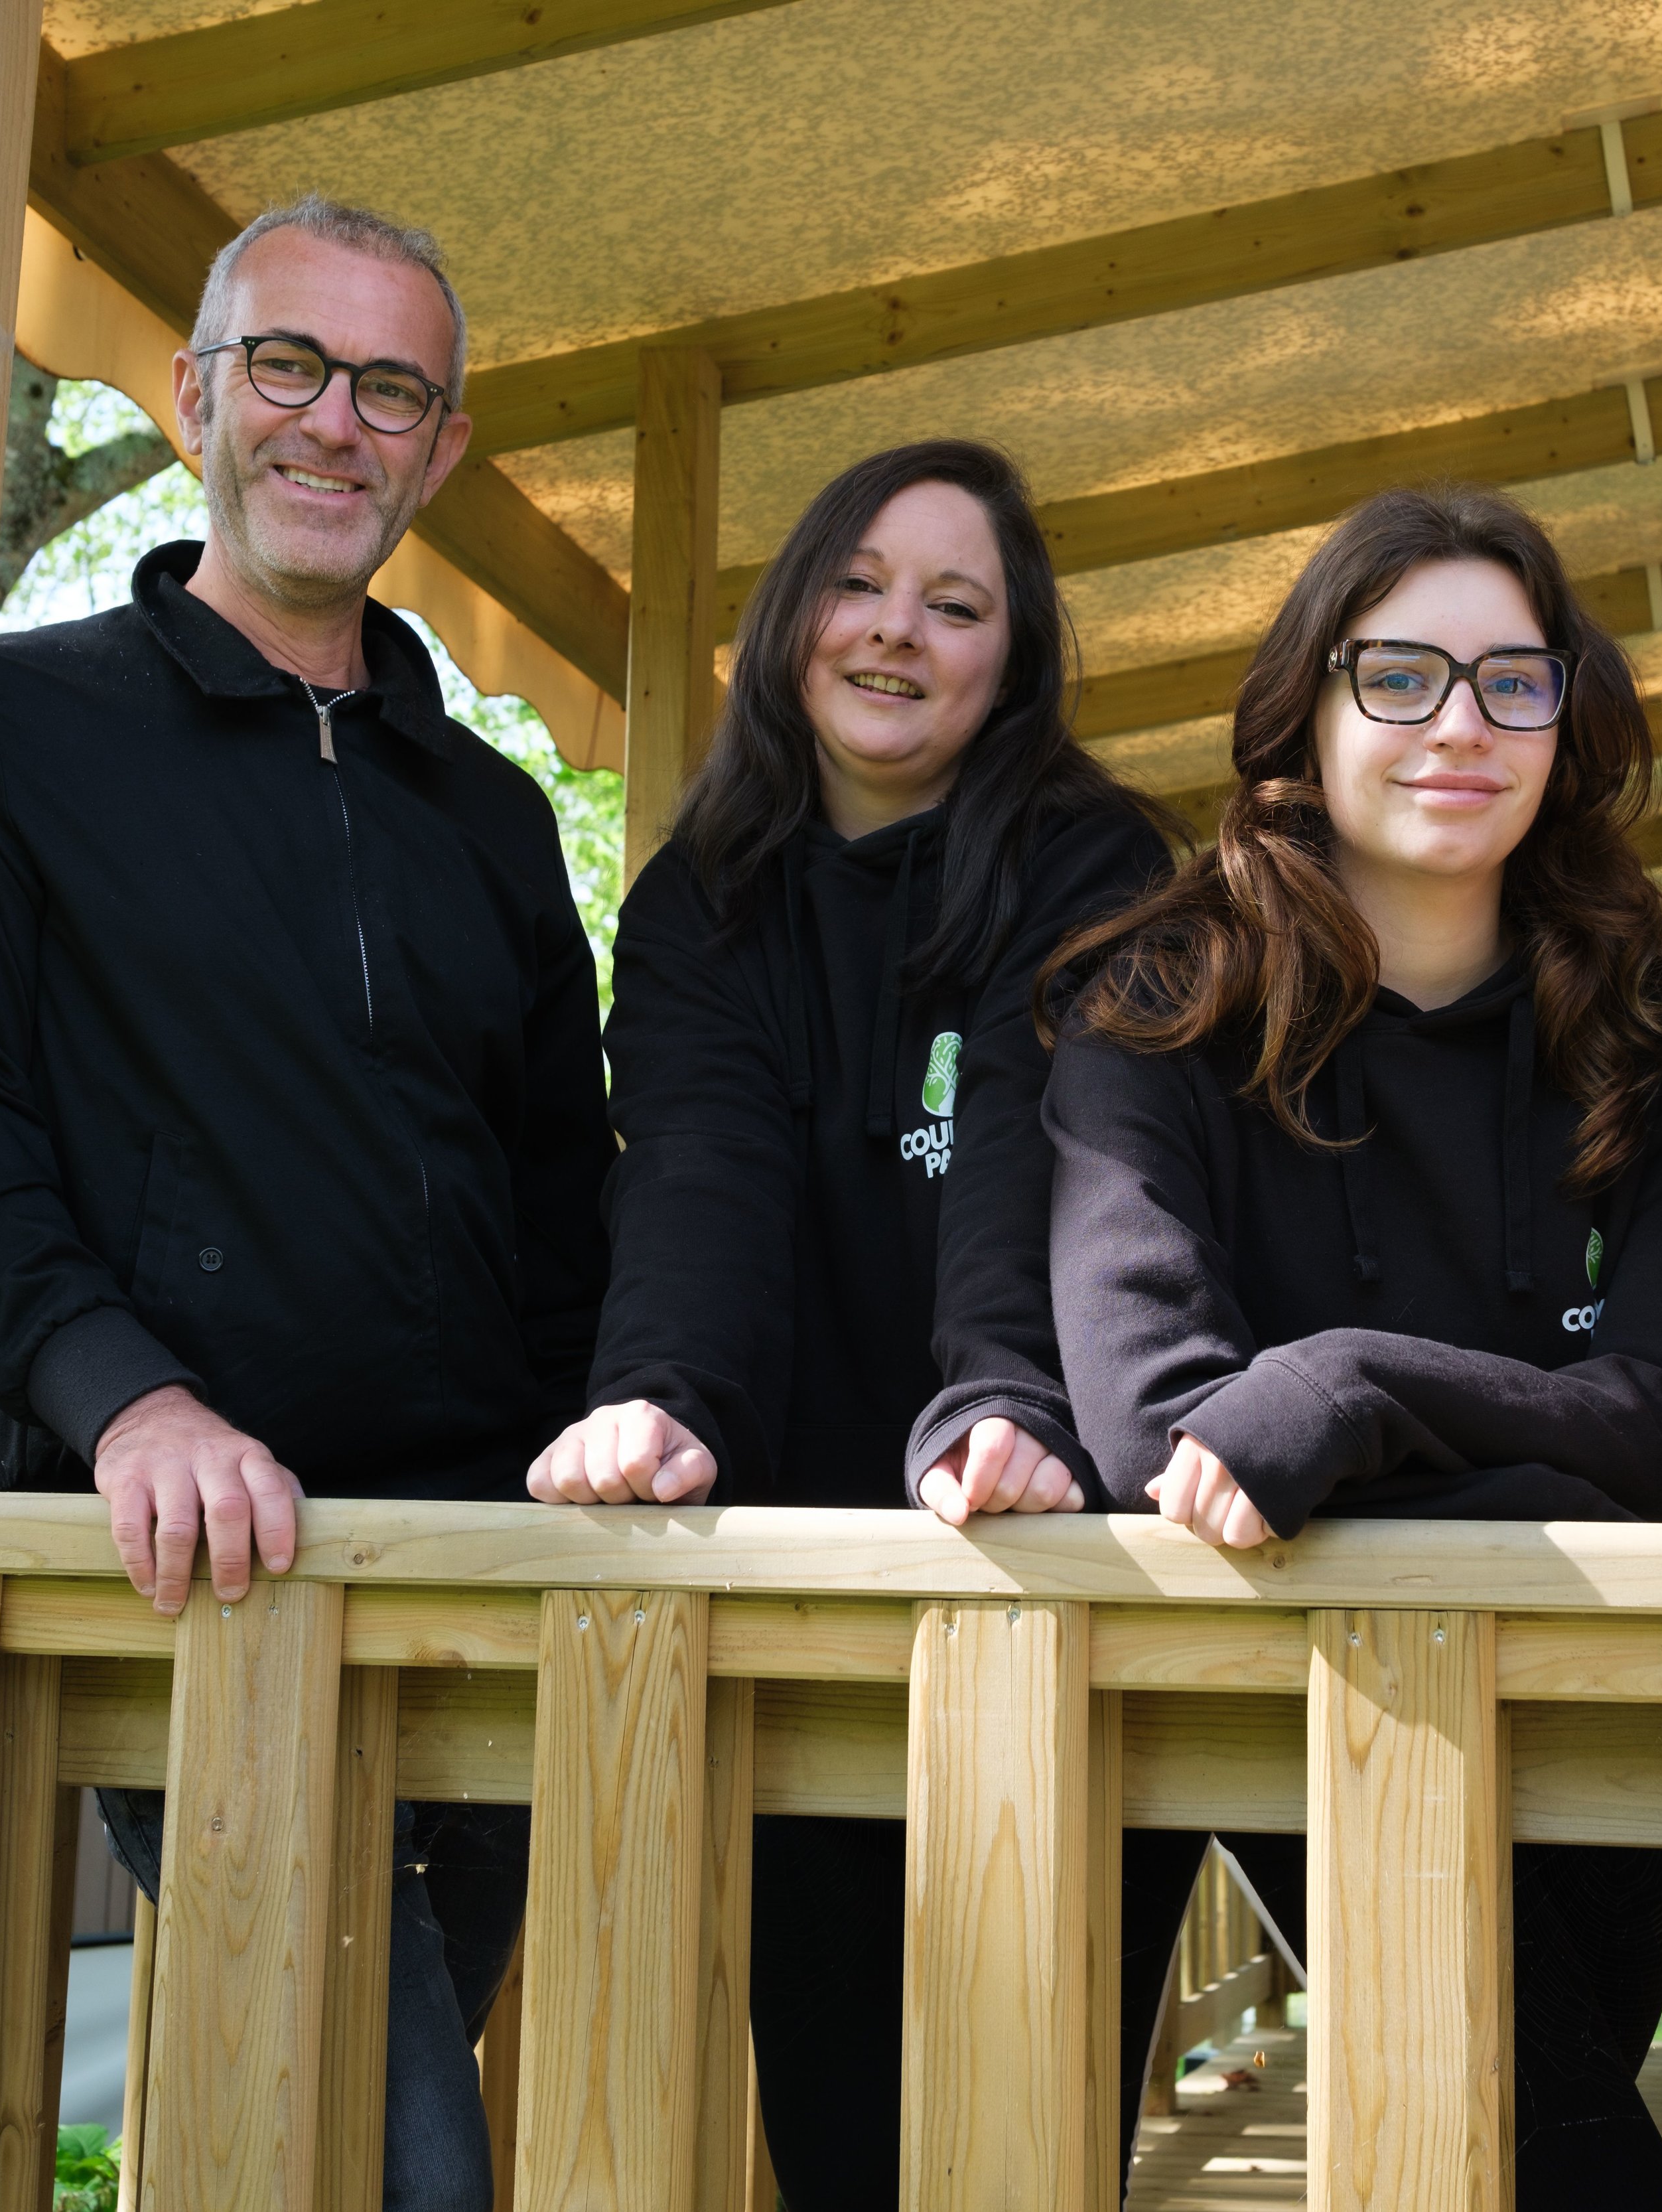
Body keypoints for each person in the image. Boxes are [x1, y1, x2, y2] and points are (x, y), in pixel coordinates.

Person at [0, 196, 606, 2212]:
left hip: (480, 1572)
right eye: (290, 367)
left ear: (444, 449)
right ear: (198, 395)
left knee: (306, 2138)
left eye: (391, 387)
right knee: (399, 2164)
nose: (334, 422)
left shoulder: (493, 818)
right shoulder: (16, 729)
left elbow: (569, 1193)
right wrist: (125, 1398)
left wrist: (616, 1451)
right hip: (183, 1563)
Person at [1046, 483, 1662, 2201]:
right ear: (1303, 713)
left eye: (1516, 681)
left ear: (1565, 724)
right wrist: (1535, 1457)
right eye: (1404, 677)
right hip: (1246, 1714)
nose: (1464, 724)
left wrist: (1342, 1390)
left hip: (1589, 1704)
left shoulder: (1658, 1034)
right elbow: (1161, 1432)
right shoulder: (1156, 1011)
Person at [524, 439, 1177, 2206]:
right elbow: (701, 1165)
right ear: (786, 622)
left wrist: (1000, 1398)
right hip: (805, 1582)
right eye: (861, 585)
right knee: (837, 2124)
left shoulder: (1099, 862)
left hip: (1050, 1553)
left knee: (1027, 2136)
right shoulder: (699, 899)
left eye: (955, 605)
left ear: (1016, 659)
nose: (898, 631)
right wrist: (657, 1395)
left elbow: (1030, 1152)